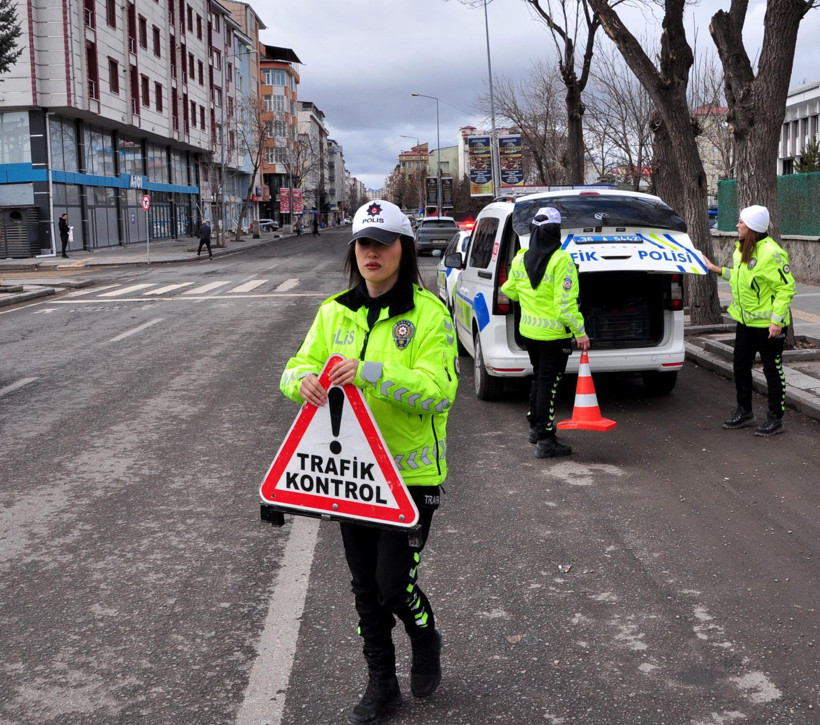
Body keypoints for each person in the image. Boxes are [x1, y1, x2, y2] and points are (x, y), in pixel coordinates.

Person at [280, 199, 458, 725]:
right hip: (353, 473)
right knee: (364, 587)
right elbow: (295, 368)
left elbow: (439, 392)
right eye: (363, 243)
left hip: (410, 479)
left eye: (382, 242)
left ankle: (425, 636)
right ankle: (381, 684)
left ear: (404, 248)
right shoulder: (333, 312)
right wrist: (302, 383)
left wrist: (374, 372)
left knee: (391, 584)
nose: (371, 252)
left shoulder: (430, 314)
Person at [500, 207, 590, 458]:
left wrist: (530, 295)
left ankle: (534, 427)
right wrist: (580, 332)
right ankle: (546, 439)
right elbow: (565, 307)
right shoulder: (562, 261)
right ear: (556, 232)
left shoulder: (520, 258)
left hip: (529, 333)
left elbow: (510, 290)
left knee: (540, 378)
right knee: (549, 386)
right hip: (553, 338)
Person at [702, 205, 796, 435]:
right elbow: (740, 277)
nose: (737, 225)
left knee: (772, 370)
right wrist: (716, 269)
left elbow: (786, 288)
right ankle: (745, 412)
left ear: (752, 227)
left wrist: (776, 321)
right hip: (746, 322)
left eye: (741, 222)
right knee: (740, 365)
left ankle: (775, 418)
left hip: (767, 326)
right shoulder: (743, 249)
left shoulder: (771, 253)